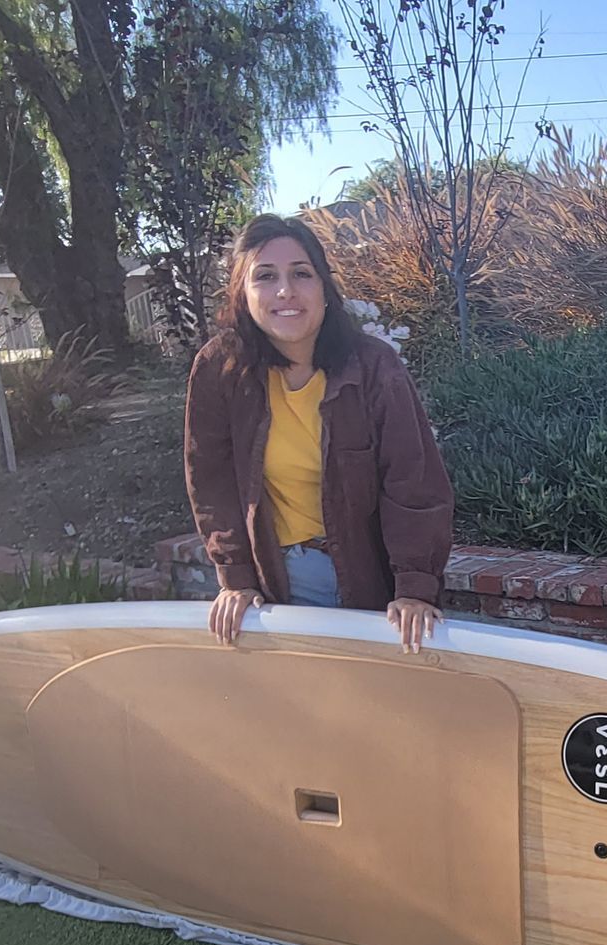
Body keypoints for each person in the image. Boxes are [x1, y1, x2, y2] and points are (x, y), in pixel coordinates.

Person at [183, 213, 452, 651]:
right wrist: (236, 579)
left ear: (324, 287)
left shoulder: (373, 367)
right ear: (242, 294)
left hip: (370, 584)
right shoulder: (221, 370)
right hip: (278, 586)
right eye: (265, 276)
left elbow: (413, 482)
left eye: (300, 273)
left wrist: (414, 589)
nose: (285, 291)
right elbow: (210, 481)